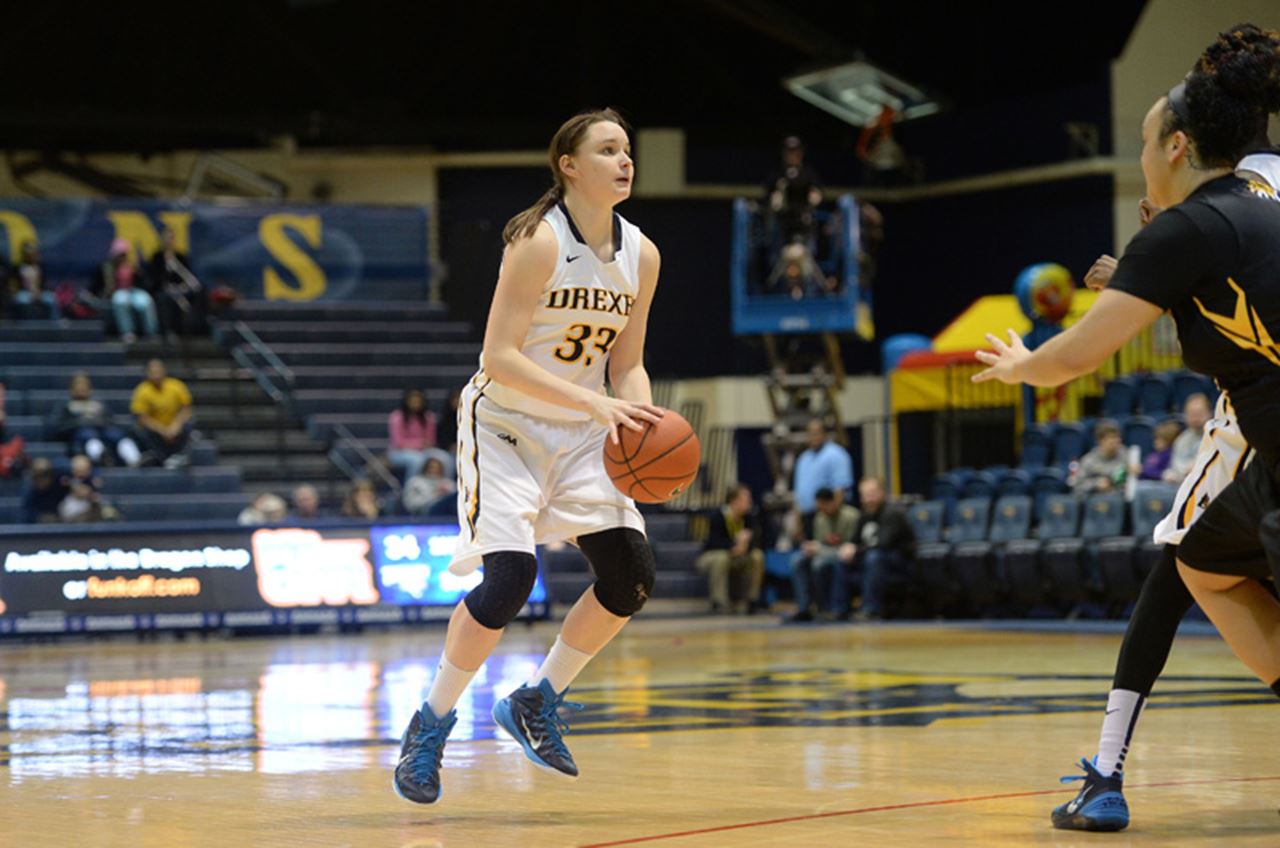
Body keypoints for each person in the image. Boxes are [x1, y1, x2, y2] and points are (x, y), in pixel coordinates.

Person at [973, 24, 1280, 832]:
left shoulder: (1187, 230)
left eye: (1144, 140)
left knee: (1188, 566)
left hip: (1262, 438)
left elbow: (1072, 358)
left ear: (1177, 146)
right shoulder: (1255, 201)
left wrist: (1022, 365)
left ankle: (1105, 774)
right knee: (1199, 563)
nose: (1141, 153)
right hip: (1264, 449)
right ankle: (1105, 773)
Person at [393, 108, 665, 806]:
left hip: (580, 432)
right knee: (509, 579)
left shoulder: (644, 255)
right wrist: (597, 403)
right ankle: (431, 723)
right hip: (505, 424)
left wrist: (637, 414)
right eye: (607, 150)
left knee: (631, 575)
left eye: (627, 150)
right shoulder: (537, 241)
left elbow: (627, 363)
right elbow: (498, 357)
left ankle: (536, 700)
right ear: (569, 165)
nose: (624, 160)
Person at [787, 487, 858, 622]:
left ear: (832, 502)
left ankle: (825, 608)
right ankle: (804, 608)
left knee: (819, 563)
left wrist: (819, 549)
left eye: (823, 506)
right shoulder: (820, 518)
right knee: (797, 560)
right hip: (824, 552)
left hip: (846, 554)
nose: (820, 509)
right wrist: (811, 548)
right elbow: (820, 542)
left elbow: (851, 546)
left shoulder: (851, 516)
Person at [849, 476, 915, 621]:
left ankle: (871, 609)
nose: (869, 498)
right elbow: (854, 541)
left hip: (900, 561)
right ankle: (837, 609)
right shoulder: (864, 516)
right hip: (874, 558)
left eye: (872, 493)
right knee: (841, 560)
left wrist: (857, 551)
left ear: (882, 493)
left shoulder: (893, 513)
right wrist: (848, 550)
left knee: (875, 557)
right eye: (865, 494)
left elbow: (884, 543)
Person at [696, 483, 765, 615]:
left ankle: (751, 600)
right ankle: (719, 602)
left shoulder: (750, 517)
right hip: (711, 556)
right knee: (721, 558)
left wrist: (746, 546)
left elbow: (758, 541)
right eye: (747, 499)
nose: (750, 503)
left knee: (757, 556)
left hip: (737, 556)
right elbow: (713, 542)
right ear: (735, 501)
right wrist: (734, 545)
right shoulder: (718, 516)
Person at [48, 373, 142, 467]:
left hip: (102, 430)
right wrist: (78, 423)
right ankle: (102, 458)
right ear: (72, 390)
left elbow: (111, 421)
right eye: (78, 387)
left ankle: (135, 460)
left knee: (117, 435)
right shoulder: (65, 406)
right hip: (82, 434)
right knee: (89, 435)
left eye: (84, 387)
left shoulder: (98, 404)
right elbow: (57, 426)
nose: (81, 390)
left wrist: (100, 422)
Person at [792, 418, 854, 540]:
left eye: (816, 433)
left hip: (827, 516)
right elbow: (799, 493)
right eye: (810, 433)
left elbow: (840, 487)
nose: (813, 437)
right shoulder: (804, 458)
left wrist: (833, 516)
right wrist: (797, 522)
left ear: (824, 434)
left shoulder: (836, 454)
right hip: (807, 516)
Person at [130, 359, 194, 468]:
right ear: (147, 373)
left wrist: (175, 426)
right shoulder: (142, 390)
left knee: (188, 424)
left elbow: (186, 409)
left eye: (158, 371)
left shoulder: (176, 386)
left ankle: (179, 456)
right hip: (155, 430)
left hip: (174, 428)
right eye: (153, 372)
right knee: (139, 430)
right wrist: (163, 431)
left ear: (164, 371)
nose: (156, 375)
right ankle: (158, 457)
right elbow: (142, 417)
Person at [93, 238, 159, 343]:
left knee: (145, 300)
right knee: (121, 299)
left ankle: (150, 332)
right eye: (120, 254)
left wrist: (137, 272)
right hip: (117, 293)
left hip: (133, 292)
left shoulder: (131, 266)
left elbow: (144, 283)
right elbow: (98, 286)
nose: (122, 257)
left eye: (124, 254)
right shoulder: (107, 267)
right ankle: (127, 332)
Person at [147, 226, 208, 339]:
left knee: (201, 291)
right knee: (167, 298)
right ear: (162, 239)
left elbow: (188, 277)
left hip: (181, 289)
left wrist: (182, 286)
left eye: (171, 238)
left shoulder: (180, 256)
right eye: (166, 238)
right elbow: (154, 280)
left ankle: (199, 328)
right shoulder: (156, 257)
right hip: (164, 290)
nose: (168, 241)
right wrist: (166, 267)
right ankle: (170, 331)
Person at [387, 388, 452, 480]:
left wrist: (425, 445)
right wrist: (419, 444)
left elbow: (431, 440)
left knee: (446, 458)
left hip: (424, 451)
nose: (415, 403)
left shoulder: (428, 417)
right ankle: (412, 489)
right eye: (412, 401)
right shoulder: (397, 417)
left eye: (418, 401)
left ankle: (446, 487)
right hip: (399, 452)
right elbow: (398, 443)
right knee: (417, 460)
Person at [1071, 420, 1128, 495]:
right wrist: (1096, 484)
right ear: (1101, 441)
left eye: (1117, 437)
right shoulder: (1089, 460)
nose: (1116, 441)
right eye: (1112, 438)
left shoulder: (1125, 455)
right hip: (1096, 500)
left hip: (1120, 499)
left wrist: (1134, 474)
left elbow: (1130, 484)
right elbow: (1077, 485)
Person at [1166, 392, 1210, 483]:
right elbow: (1175, 466)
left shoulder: (1216, 437)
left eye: (1199, 414)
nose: (1195, 418)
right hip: (1181, 483)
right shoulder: (1182, 439)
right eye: (1192, 414)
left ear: (1209, 413)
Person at [58, 455, 116, 523]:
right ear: (73, 470)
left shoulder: (94, 484)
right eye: (78, 471)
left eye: (84, 471)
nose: (81, 475)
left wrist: (91, 496)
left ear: (89, 470)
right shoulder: (65, 485)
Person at [10, 241, 59, 320]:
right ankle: (26, 325)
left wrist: (38, 293)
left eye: (33, 252)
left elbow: (44, 283)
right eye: (29, 252)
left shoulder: (40, 267)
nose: (31, 255)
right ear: (25, 254)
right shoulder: (19, 267)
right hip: (25, 293)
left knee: (51, 298)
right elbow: (13, 284)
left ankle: (54, 324)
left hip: (40, 292)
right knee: (21, 299)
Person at [21, 458, 67, 523]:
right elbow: (28, 515)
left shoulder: (60, 484)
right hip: (39, 527)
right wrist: (40, 517)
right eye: (38, 477)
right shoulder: (30, 492)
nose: (42, 480)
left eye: (45, 476)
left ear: (51, 476)